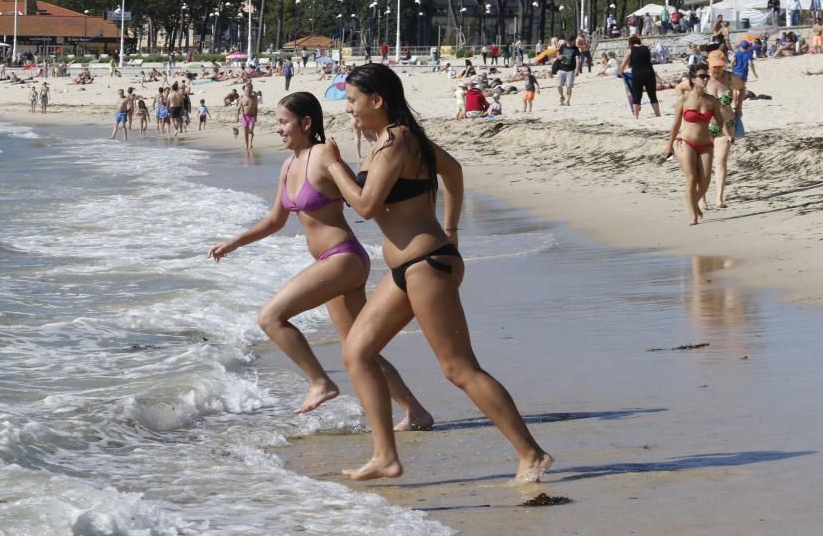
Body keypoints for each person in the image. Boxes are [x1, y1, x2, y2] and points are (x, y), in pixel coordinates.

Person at [316, 64, 553, 483]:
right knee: (357, 351)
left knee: (458, 368)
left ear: (377, 100)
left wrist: (335, 166)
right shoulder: (395, 141)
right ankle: (385, 456)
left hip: (427, 266)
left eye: (352, 100)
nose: (348, 108)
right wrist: (452, 227)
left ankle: (531, 453)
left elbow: (368, 207)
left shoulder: (397, 142)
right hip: (410, 268)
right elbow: (454, 171)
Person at [209, 92, 433, 427]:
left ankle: (320, 382)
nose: (278, 129)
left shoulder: (324, 156)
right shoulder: (287, 165)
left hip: (343, 258)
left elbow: (364, 197)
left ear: (306, 122)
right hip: (334, 263)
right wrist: (234, 242)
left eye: (284, 122)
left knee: (271, 317)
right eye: (277, 122)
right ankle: (416, 411)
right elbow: (275, 220)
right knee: (358, 350)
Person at [663, 63, 730, 226]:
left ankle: (694, 202)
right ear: (693, 79)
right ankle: (693, 214)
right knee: (692, 179)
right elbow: (676, 125)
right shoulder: (684, 99)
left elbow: (720, 122)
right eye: (702, 76)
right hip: (686, 143)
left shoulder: (711, 100)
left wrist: (727, 135)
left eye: (707, 76)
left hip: (706, 144)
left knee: (705, 181)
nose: (705, 79)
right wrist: (669, 145)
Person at [704, 50, 745, 209]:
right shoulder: (703, 80)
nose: (717, 70)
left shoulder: (729, 78)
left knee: (720, 160)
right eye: (715, 67)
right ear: (709, 64)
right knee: (705, 162)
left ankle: (719, 198)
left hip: (727, 125)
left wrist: (739, 106)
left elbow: (742, 88)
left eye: (720, 66)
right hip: (707, 126)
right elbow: (684, 92)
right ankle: (702, 198)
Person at [618, 35, 661, 119]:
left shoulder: (630, 50)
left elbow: (623, 64)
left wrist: (621, 72)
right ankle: (658, 114)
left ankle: (636, 116)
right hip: (649, 73)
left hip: (638, 74)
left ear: (630, 43)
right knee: (652, 94)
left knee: (637, 95)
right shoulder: (646, 49)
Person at [554, 35, 578, 106]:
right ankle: (562, 96)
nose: (571, 43)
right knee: (558, 85)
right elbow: (558, 53)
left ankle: (568, 101)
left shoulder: (575, 48)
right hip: (561, 69)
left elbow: (577, 59)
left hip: (571, 70)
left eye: (573, 42)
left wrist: (577, 69)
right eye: (570, 42)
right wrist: (559, 56)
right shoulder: (563, 46)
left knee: (569, 86)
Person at [237, 83, 258, 150]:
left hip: (252, 116)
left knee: (251, 130)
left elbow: (256, 108)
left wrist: (256, 116)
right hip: (244, 117)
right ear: (244, 90)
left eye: (250, 89)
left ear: (252, 90)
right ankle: (247, 146)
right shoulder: (242, 98)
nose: (248, 90)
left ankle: (250, 143)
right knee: (245, 132)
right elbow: (238, 108)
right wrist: (237, 117)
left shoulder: (254, 99)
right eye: (247, 89)